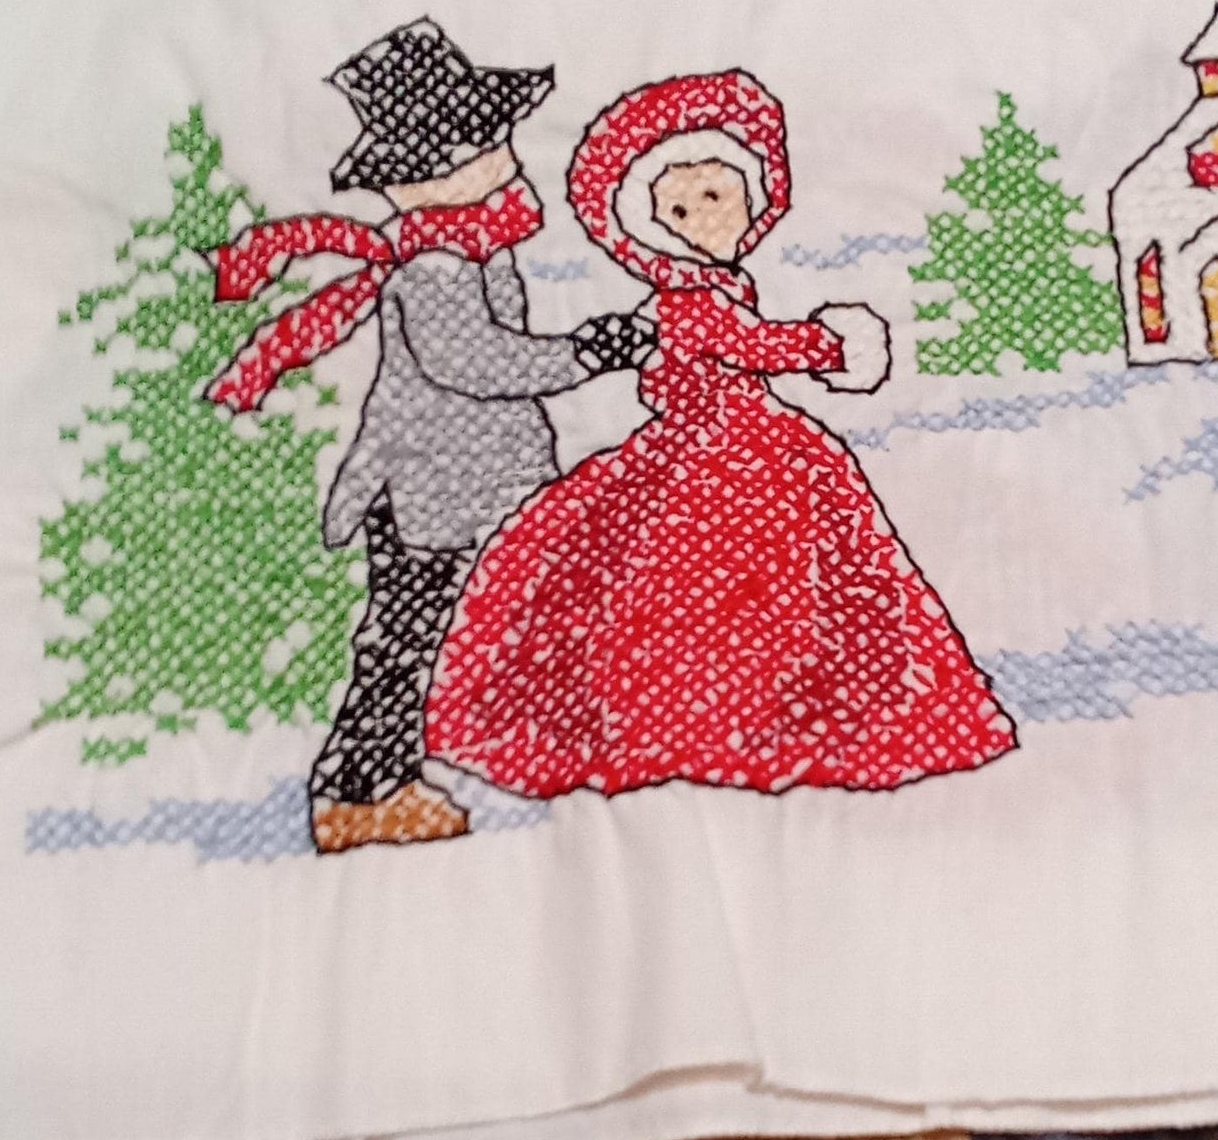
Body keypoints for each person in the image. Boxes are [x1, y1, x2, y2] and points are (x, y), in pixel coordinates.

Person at [425, 68, 1017, 798]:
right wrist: (830, 345)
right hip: (715, 451)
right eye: (676, 207)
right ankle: (727, 722)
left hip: (743, 438)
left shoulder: (716, 287)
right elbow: (753, 346)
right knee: (716, 588)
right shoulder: (690, 301)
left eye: (714, 195)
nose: (700, 217)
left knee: (768, 585)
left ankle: (765, 714)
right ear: (651, 227)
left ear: (751, 196)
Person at [207, 18, 647, 852]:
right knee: (405, 638)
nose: (502, 155)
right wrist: (586, 352)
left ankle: (406, 771)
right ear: (419, 180)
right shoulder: (435, 270)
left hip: (465, 489)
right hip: (424, 496)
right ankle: (357, 789)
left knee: (445, 629)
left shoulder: (475, 253)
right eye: (480, 145)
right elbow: (477, 362)